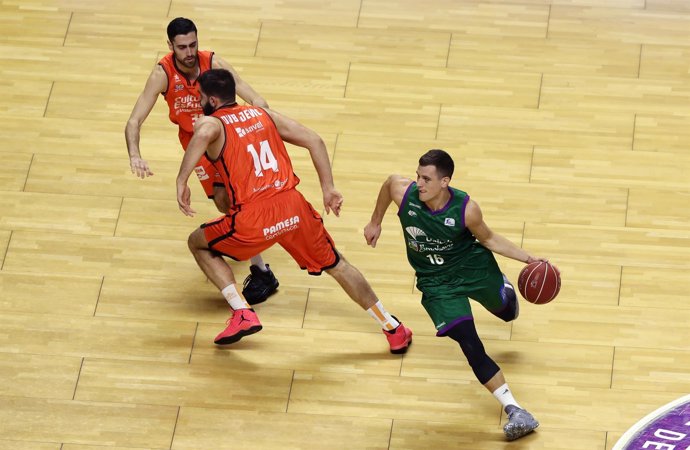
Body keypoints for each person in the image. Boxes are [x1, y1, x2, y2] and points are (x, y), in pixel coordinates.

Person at [175, 68, 413, 352]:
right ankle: (392, 327)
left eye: (201, 97)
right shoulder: (263, 114)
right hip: (294, 207)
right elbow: (315, 140)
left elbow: (203, 133)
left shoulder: (213, 124)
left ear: (212, 101)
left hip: (254, 217)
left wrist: (181, 180)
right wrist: (328, 188)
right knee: (338, 264)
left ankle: (241, 312)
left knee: (197, 243)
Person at [363, 149, 543, 441]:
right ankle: (516, 410)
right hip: (437, 284)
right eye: (418, 176)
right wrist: (376, 222)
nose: (418, 184)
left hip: (473, 269)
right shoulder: (403, 191)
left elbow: (490, 238)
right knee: (469, 342)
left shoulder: (466, 209)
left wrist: (529, 260)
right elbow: (387, 185)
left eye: (426, 179)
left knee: (507, 312)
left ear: (445, 182)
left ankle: (504, 290)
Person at [125, 17, 278, 305]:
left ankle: (262, 271)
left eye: (193, 44)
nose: (189, 52)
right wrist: (135, 155)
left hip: (225, 135)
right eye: (182, 47)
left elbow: (257, 99)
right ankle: (253, 250)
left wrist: (256, 124)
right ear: (170, 46)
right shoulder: (162, 74)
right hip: (196, 145)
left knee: (234, 199)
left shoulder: (214, 63)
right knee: (223, 201)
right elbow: (134, 121)